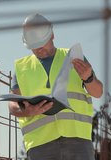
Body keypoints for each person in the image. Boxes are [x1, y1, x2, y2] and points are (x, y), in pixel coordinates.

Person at [8, 13, 103, 160]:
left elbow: (98, 92)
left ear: (52, 35)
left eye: (42, 43)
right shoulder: (22, 68)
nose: (39, 49)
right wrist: (27, 110)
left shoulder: (74, 57)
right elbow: (12, 105)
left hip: (78, 141)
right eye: (34, 46)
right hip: (40, 144)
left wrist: (89, 78)